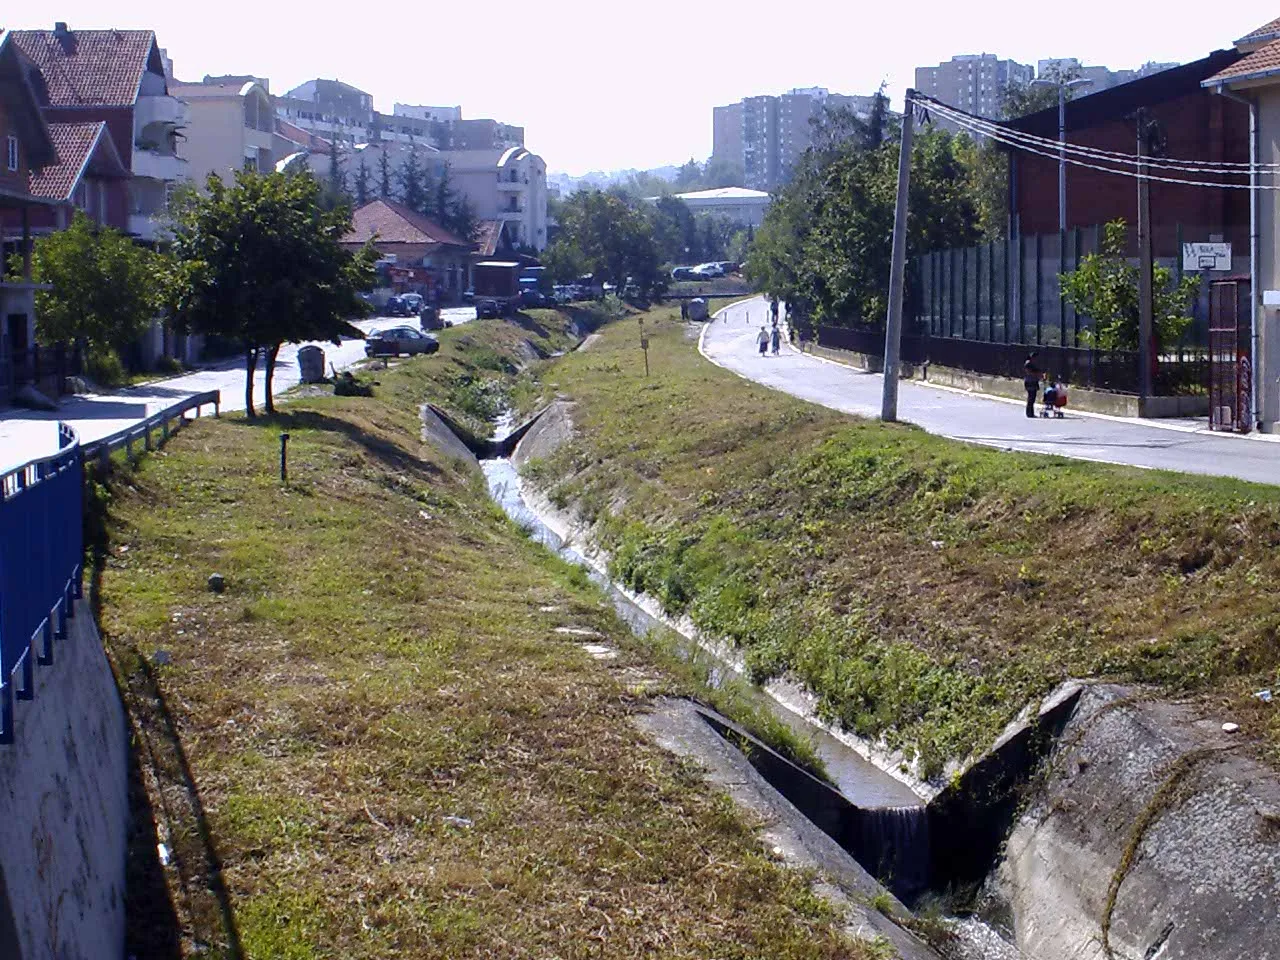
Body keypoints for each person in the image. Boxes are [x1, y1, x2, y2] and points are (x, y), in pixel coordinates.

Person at [1023, 353, 1043, 419]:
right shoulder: (1028, 363)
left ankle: (1031, 413)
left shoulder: (1033, 364)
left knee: (1032, 398)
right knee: (1031, 398)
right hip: (1030, 382)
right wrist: (1037, 374)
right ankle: (1029, 413)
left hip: (1033, 381)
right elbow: (1029, 372)